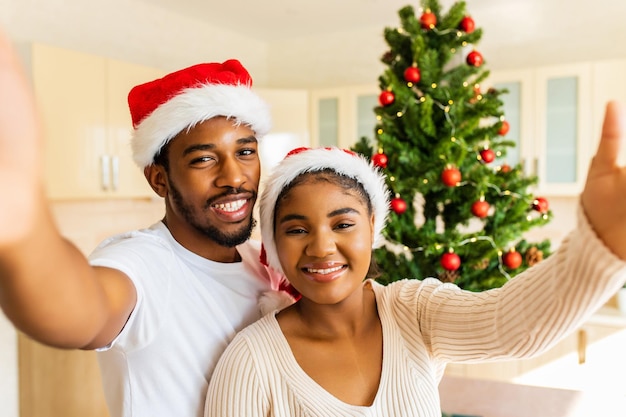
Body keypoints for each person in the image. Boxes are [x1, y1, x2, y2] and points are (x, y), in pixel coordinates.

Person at [205, 132, 626, 416]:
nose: (321, 247)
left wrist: (601, 246)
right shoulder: (251, 360)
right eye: (296, 230)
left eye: (343, 224)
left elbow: (510, 326)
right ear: (275, 245)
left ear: (373, 228)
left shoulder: (414, 310)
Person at [0, 31, 288, 417]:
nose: (234, 176)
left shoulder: (263, 263)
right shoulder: (144, 264)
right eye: (204, 159)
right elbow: (79, 312)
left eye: (246, 151)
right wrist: (20, 216)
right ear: (159, 179)